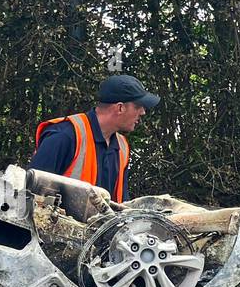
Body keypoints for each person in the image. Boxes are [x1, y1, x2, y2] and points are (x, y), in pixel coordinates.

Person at [31, 74, 159, 203]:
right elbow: (31, 194)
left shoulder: (122, 147)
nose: (143, 112)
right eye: (138, 106)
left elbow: (121, 202)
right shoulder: (65, 135)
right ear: (120, 108)